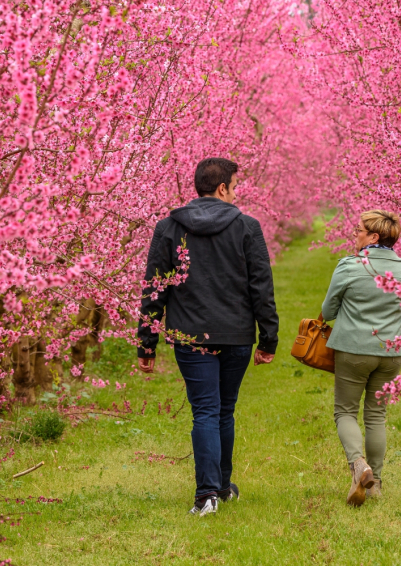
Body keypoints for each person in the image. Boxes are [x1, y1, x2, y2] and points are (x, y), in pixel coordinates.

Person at [137, 158, 278, 517]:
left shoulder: (169, 228)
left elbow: (155, 288)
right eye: (233, 186)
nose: (235, 192)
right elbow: (261, 286)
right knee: (223, 411)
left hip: (191, 334)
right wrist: (268, 339)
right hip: (236, 334)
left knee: (205, 411)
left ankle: (209, 493)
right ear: (221, 189)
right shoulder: (247, 227)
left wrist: (146, 343)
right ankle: (216, 489)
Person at [321, 210, 401, 506]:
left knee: (345, 411)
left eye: (360, 230)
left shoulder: (350, 266)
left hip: (353, 349)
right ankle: (376, 485)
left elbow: (329, 311)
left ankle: (359, 465)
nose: (356, 235)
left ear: (374, 237)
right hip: (391, 352)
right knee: (376, 415)